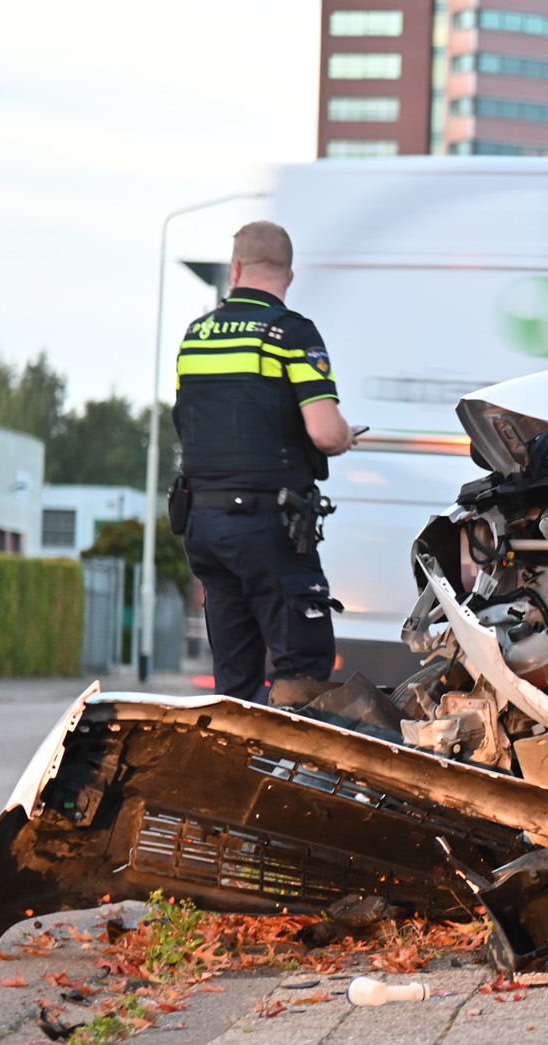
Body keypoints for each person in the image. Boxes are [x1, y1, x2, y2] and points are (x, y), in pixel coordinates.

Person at [170, 220, 356, 704]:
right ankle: (288, 776)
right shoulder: (291, 335)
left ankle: (230, 768)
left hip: (203, 527)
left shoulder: (196, 337)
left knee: (234, 677)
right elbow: (324, 431)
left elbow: (188, 422)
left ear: (235, 269)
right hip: (266, 527)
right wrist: (344, 437)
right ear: (288, 275)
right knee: (303, 668)